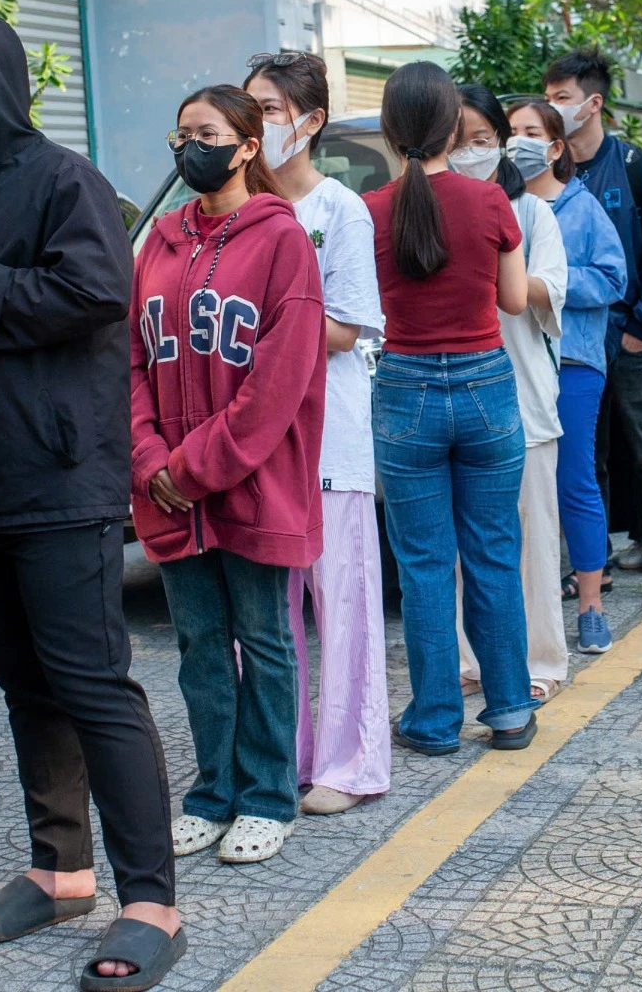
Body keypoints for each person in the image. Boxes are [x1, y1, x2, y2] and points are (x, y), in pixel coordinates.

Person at [0, 14, 184, 989]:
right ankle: (60, 871)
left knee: (93, 684)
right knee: (24, 684)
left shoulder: (62, 180)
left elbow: (96, 290)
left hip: (57, 479)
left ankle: (152, 899)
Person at [132, 86, 326, 870]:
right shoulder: (159, 242)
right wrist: (151, 461)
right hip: (169, 491)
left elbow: (278, 383)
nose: (191, 148)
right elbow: (130, 363)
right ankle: (213, 794)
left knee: (266, 641)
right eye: (181, 134)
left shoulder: (282, 241)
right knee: (200, 645)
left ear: (248, 146)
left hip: (251, 484)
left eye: (206, 134)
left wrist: (194, 468)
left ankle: (270, 798)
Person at [365, 61, 537, 754]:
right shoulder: (490, 201)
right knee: (493, 553)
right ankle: (511, 711)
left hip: (404, 389)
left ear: (389, 129)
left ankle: (435, 721)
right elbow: (515, 301)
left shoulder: (370, 209)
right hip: (485, 387)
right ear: (453, 128)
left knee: (424, 565)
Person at [243, 50, 389, 818]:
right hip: (254, 444)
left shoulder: (340, 211)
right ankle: (282, 757)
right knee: (267, 618)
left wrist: (267, 328)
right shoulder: (239, 209)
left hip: (329, 437)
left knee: (343, 605)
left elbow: (347, 326)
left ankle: (350, 763)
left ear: (310, 121)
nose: (258, 123)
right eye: (252, 108)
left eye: (269, 109)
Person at [544, 48, 642, 605]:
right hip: (571, 341)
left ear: (593, 103)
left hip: (631, 336)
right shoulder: (548, 175)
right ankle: (594, 564)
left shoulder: (636, 168)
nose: (553, 108)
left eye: (562, 98)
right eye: (548, 98)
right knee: (587, 458)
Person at [443, 90, 568, 687]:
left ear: (500, 141)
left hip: (522, 395)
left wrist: (500, 260)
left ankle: (541, 662)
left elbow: (548, 289)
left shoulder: (532, 213)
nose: (469, 152)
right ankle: (473, 661)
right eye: (456, 141)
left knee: (533, 539)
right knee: (465, 542)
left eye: (481, 139)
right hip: (454, 395)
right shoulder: (435, 209)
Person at [500, 95, 626, 660]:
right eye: (510, 131)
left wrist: (547, 282)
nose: (516, 142)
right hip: (511, 362)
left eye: (530, 132)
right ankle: (528, 606)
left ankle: (591, 605)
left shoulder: (581, 206)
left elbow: (614, 278)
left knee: (574, 479)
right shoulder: (500, 204)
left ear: (555, 148)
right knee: (516, 490)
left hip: (572, 360)